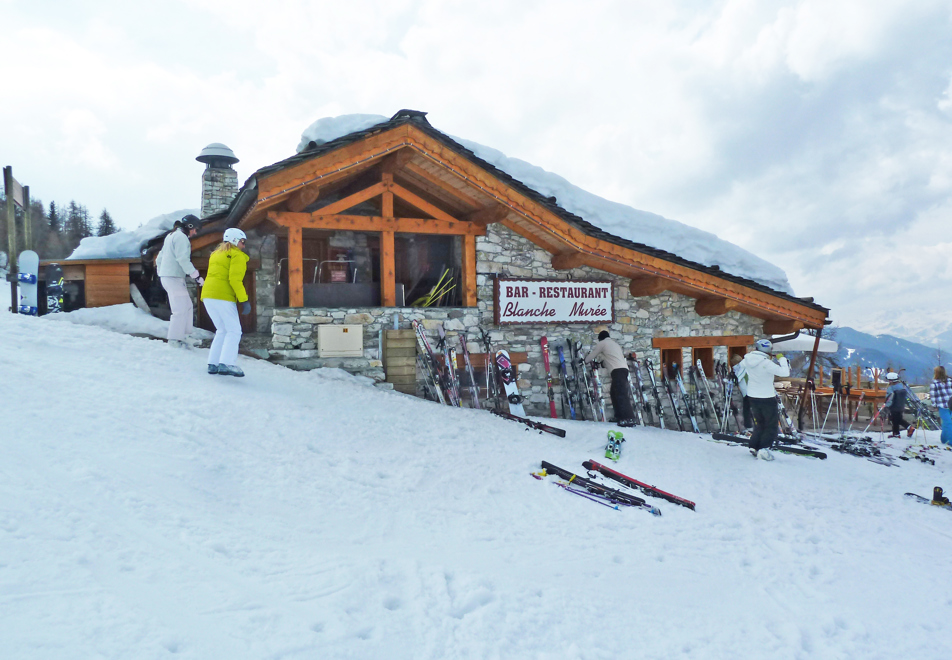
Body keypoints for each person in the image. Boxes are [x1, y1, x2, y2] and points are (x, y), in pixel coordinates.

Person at [201, 228, 250, 377]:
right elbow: (235, 280)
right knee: (234, 331)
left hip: (208, 296)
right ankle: (228, 363)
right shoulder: (237, 256)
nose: (244, 245)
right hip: (223, 297)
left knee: (222, 330)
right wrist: (244, 300)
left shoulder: (216, 255)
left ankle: (213, 363)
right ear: (235, 240)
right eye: (243, 241)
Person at [156, 215, 203, 348]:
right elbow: (183, 259)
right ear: (190, 227)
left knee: (187, 305)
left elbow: (160, 256)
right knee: (180, 309)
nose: (195, 233)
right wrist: (196, 276)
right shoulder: (181, 238)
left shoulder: (171, 235)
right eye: (196, 229)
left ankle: (185, 335)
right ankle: (174, 339)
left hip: (171, 277)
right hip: (172, 278)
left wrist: (161, 272)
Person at [739, 339, 789, 460]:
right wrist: (782, 359)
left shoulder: (747, 360)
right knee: (771, 424)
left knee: (759, 422)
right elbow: (785, 372)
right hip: (766, 396)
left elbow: (740, 367)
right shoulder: (766, 363)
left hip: (752, 396)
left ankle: (754, 445)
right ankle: (764, 448)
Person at [585, 329, 636, 426]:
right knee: (614, 392)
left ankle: (628, 418)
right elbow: (608, 358)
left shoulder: (603, 343)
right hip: (623, 369)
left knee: (621, 394)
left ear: (600, 338)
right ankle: (618, 416)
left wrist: (585, 360)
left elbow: (592, 355)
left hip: (617, 371)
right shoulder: (614, 344)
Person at [929, 366, 952, 446]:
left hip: (942, 405)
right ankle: (945, 439)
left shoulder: (934, 382)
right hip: (950, 404)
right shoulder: (950, 380)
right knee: (948, 423)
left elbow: (933, 395)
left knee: (947, 423)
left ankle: (947, 440)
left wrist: (934, 405)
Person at [731, 353, 753, 432]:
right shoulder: (747, 367)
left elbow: (738, 378)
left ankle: (749, 426)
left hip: (748, 392)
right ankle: (751, 426)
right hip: (750, 392)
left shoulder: (741, 368)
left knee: (747, 410)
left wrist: (732, 377)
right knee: (750, 409)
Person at [884, 372, 909, 438]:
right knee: (898, 419)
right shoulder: (902, 387)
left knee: (895, 420)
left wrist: (886, 405)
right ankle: (897, 433)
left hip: (894, 406)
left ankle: (907, 428)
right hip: (901, 406)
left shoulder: (891, 388)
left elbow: (889, 398)